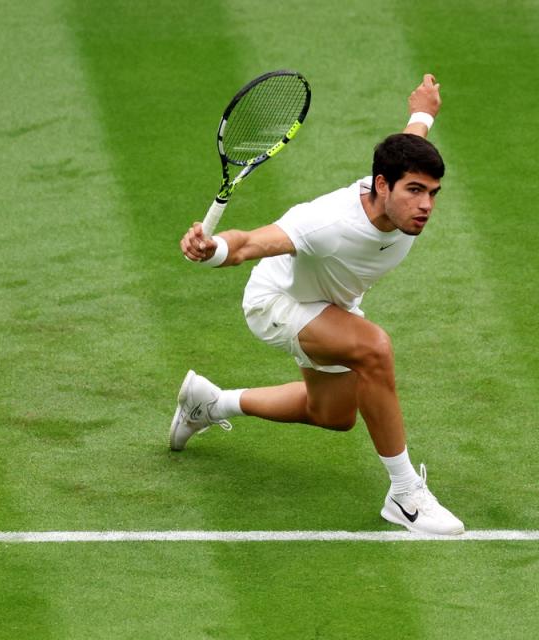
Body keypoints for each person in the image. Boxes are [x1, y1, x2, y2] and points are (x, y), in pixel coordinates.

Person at [170, 74, 464, 536]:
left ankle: (209, 404)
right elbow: (249, 243)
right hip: (278, 303)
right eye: (415, 192)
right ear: (382, 186)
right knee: (374, 349)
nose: (425, 205)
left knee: (333, 414)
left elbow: (410, 144)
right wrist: (215, 251)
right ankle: (405, 497)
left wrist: (423, 112)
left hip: (329, 304)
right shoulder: (326, 222)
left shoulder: (397, 181)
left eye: (433, 194)